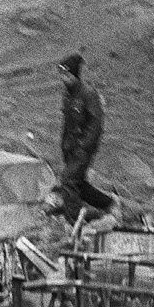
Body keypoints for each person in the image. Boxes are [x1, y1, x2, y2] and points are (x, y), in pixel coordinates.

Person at [56, 52, 115, 225]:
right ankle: (108, 204)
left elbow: (96, 124)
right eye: (62, 75)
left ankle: (75, 220)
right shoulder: (68, 96)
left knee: (67, 181)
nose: (63, 79)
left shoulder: (88, 94)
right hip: (69, 148)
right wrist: (66, 145)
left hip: (82, 149)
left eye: (67, 75)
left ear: (74, 75)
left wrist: (84, 146)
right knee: (78, 184)